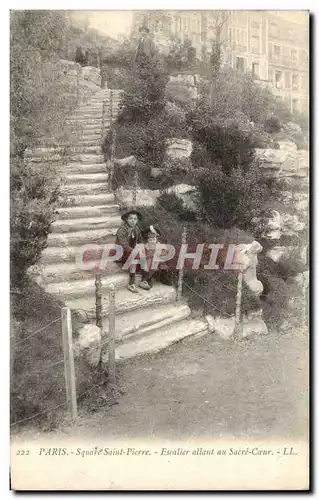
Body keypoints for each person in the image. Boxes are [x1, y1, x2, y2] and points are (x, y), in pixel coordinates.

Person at [115, 210, 143, 293]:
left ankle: (145, 279)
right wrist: (135, 251)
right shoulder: (122, 230)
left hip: (130, 250)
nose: (133, 221)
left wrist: (141, 248)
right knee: (135, 255)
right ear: (127, 219)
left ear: (137, 220)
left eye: (135, 219)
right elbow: (124, 246)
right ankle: (131, 283)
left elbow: (140, 241)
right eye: (130, 218)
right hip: (121, 251)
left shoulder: (136, 229)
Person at [139, 225, 170, 290]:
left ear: (156, 239)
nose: (152, 241)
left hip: (159, 260)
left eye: (153, 239)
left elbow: (165, 251)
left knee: (163, 265)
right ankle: (147, 279)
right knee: (148, 265)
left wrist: (161, 254)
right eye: (150, 240)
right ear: (147, 240)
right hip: (150, 260)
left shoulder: (159, 244)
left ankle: (164, 278)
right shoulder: (146, 246)